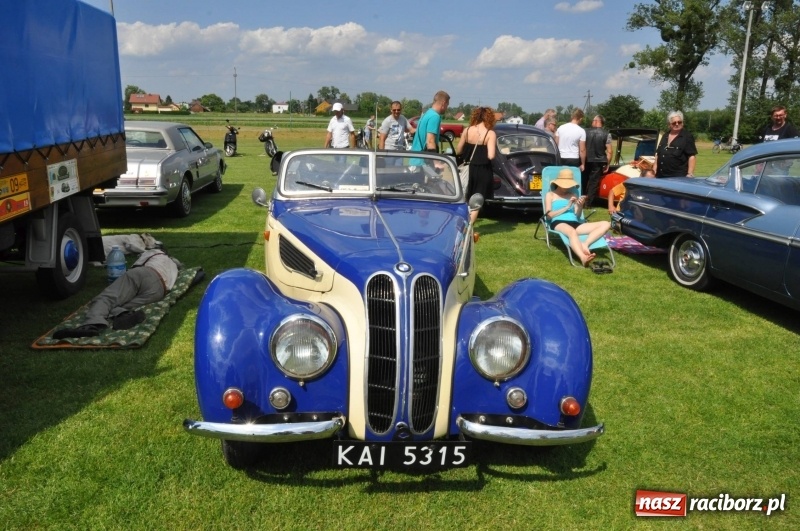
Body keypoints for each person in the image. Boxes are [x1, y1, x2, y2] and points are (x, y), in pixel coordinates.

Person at [52, 250, 184, 338]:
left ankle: (90, 325)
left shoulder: (153, 253)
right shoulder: (174, 267)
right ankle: (123, 314)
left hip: (144, 274)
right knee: (124, 304)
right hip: (159, 291)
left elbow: (135, 267)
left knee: (107, 298)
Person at [544, 168, 610, 267]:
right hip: (559, 222)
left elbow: (577, 215)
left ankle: (585, 244)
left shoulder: (573, 194)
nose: (566, 187)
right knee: (572, 232)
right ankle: (583, 258)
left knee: (606, 224)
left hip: (575, 222)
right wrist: (567, 207)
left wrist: (580, 206)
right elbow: (548, 216)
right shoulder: (550, 195)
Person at [456, 106, 497, 223]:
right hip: (482, 170)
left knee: (465, 197)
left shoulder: (467, 130)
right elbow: (491, 155)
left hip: (467, 168)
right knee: (477, 200)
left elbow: (459, 150)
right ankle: (469, 226)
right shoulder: (490, 134)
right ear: (489, 118)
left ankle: (461, 222)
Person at [653, 110, 697, 178]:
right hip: (660, 176)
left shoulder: (687, 136)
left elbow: (691, 156)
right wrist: (654, 170)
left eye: (679, 122)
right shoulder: (665, 135)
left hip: (678, 177)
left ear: (682, 123)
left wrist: (690, 174)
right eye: (674, 123)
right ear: (669, 124)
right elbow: (658, 154)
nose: (677, 124)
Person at [583, 115, 612, 205]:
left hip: (586, 159)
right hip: (599, 161)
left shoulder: (585, 132)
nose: (592, 122)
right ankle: (588, 203)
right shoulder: (607, 134)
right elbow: (609, 151)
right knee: (593, 182)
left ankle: (580, 200)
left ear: (596, 121)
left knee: (583, 180)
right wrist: (607, 163)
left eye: (593, 120)